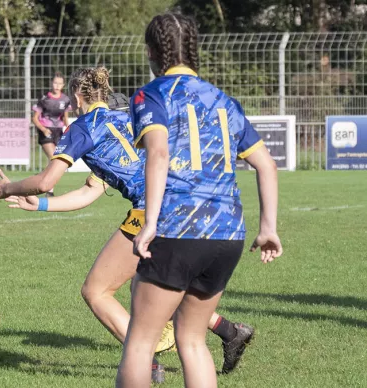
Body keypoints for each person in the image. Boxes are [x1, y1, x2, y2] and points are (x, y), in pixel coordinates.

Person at [0, 70, 256, 383]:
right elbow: (89, 191)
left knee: (97, 290)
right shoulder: (127, 120)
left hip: (150, 212)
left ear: (77, 97)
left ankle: (146, 359)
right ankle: (230, 331)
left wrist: (8, 189)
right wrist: (44, 205)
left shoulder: (82, 127)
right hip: (183, 207)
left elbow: (46, 181)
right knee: (159, 289)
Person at [115, 13, 282, 387]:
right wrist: (268, 227)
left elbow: (158, 154)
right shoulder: (225, 100)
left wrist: (152, 223)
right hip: (227, 235)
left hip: (178, 228)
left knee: (140, 341)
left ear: (150, 52)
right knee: (192, 339)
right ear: (194, 50)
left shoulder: (151, 94)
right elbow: (266, 165)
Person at [32, 72, 72, 196]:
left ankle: (38, 183)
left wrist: (69, 129)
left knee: (56, 161)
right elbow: (34, 118)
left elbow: (65, 118)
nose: (57, 85)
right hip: (46, 130)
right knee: (53, 157)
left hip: (58, 131)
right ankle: (48, 190)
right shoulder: (45, 99)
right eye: (55, 83)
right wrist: (43, 129)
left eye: (60, 83)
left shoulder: (65, 99)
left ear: (63, 85)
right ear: (51, 83)